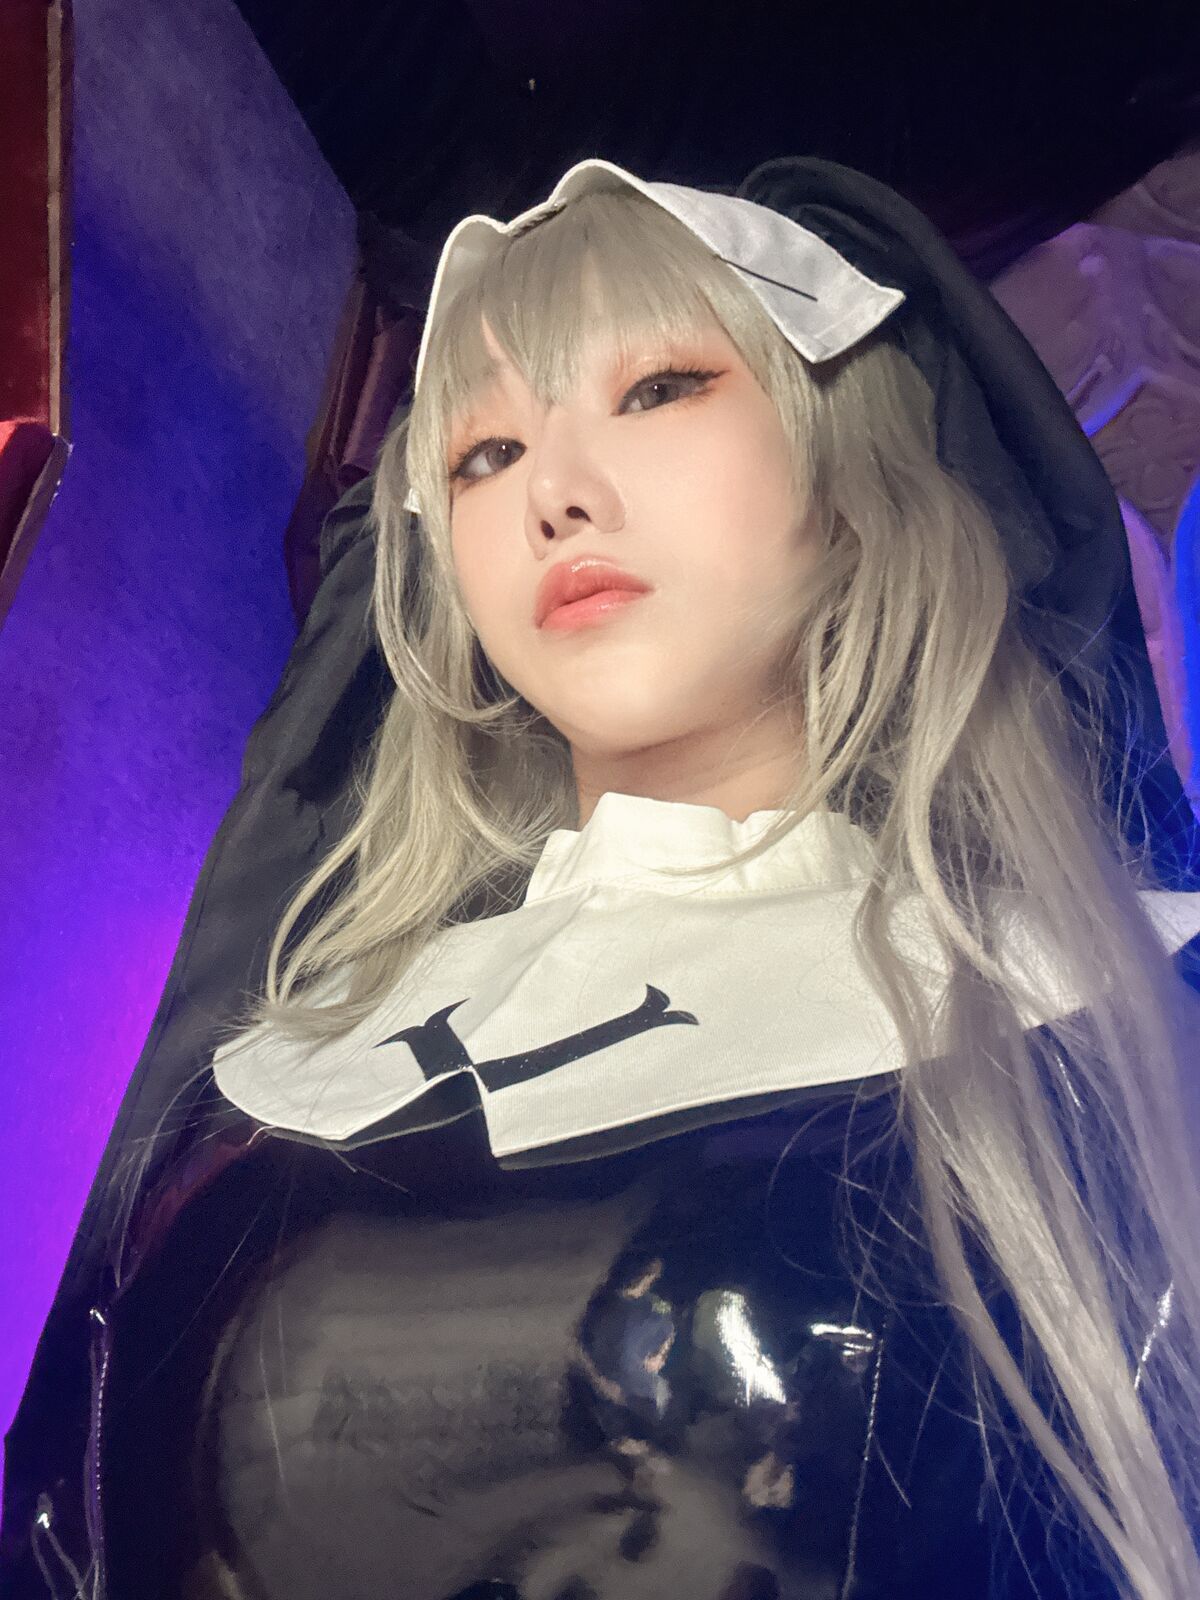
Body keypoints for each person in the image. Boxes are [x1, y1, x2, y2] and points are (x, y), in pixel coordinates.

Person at [4, 156, 1200, 1600]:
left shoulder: (1127, 1010)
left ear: (850, 470)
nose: (555, 496)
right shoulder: (270, 1080)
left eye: (658, 389)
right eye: (484, 456)